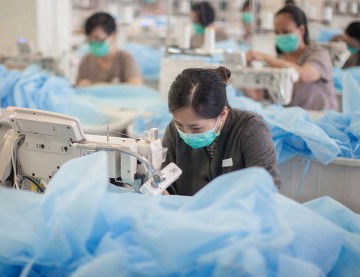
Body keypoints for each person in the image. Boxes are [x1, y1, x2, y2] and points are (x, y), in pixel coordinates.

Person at [162, 66, 281, 196]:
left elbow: (266, 187)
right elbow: (166, 184)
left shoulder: (250, 129)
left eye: (196, 128)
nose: (186, 134)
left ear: (222, 114)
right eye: (179, 124)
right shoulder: (174, 131)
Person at [245, 5, 338, 111]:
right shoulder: (277, 61)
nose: (281, 36)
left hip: (321, 121)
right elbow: (258, 96)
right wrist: (244, 71)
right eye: (277, 32)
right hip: (292, 123)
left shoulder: (318, 53)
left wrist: (265, 58)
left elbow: (305, 75)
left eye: (285, 32)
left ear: (301, 29)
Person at [76, 12, 142, 86]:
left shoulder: (126, 59)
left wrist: (101, 87)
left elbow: (135, 86)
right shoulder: (86, 61)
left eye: (97, 38)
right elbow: (78, 88)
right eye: (90, 39)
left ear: (113, 35)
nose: (93, 42)